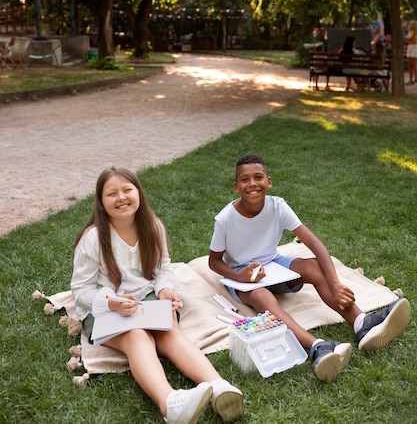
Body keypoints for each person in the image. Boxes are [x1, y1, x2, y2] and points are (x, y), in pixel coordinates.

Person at [208, 154, 411, 383]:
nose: (252, 184)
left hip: (273, 263)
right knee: (262, 296)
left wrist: (335, 284)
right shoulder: (225, 219)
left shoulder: (278, 206)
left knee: (314, 267)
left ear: (269, 181)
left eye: (258, 177)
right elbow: (213, 261)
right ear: (236, 187)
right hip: (244, 276)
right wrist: (239, 276)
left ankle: (361, 322)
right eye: (244, 180)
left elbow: (314, 244)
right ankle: (318, 347)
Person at [71, 166, 243, 424]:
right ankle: (169, 404)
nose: (121, 198)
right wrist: (113, 303)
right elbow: (80, 289)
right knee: (138, 337)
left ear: (138, 192)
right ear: (101, 201)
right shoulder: (93, 238)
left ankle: (218, 386)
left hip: (145, 298)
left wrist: (164, 289)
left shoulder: (152, 226)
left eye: (127, 190)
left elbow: (163, 269)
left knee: (169, 330)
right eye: (112, 194)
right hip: (105, 308)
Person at [404, 20, 417, 85]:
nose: (410, 25)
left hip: (414, 47)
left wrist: (406, 38)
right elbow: (407, 40)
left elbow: (411, 38)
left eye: (412, 24)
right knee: (410, 64)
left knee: (414, 64)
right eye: (410, 24)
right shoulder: (409, 31)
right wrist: (407, 38)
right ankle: (410, 79)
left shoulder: (415, 30)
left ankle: (416, 79)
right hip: (410, 47)